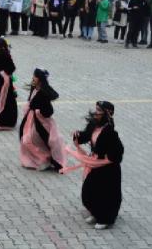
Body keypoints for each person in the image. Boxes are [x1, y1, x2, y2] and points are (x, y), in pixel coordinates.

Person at [62, 101, 124, 230]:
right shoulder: (93, 125)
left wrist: (107, 158)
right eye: (96, 109)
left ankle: (105, 219)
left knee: (106, 194)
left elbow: (118, 151)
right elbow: (86, 136)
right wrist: (78, 135)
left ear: (107, 114)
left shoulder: (110, 132)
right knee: (89, 191)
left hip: (108, 169)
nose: (96, 113)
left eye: (99, 110)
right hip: (96, 165)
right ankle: (96, 213)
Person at [19, 69, 66, 171]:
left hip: (41, 120)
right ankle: (38, 159)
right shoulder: (34, 87)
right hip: (31, 118)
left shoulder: (43, 92)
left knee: (41, 139)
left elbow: (50, 106)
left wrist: (38, 109)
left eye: (35, 76)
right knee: (26, 138)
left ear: (40, 79)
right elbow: (31, 101)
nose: (33, 78)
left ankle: (46, 159)